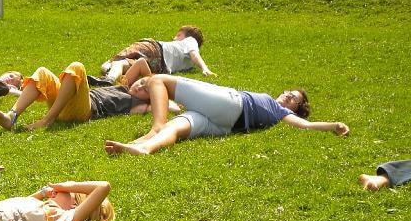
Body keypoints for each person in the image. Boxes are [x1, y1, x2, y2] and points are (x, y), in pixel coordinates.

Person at [104, 75, 349, 157]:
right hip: (226, 126)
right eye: (287, 92)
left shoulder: (283, 113)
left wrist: (334, 125)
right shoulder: (274, 107)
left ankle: (156, 127)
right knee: (177, 127)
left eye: (293, 97)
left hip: (233, 105)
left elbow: (306, 125)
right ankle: (145, 148)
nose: (286, 95)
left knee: (158, 80)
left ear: (296, 107)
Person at [0, 62, 178, 132]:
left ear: (151, 98)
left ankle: (48, 119)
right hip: (67, 102)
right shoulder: (125, 86)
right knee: (43, 72)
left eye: (146, 89)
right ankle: (12, 116)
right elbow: (141, 63)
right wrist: (152, 79)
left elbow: (170, 107)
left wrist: (159, 93)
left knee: (77, 68)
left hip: (84, 110)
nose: (139, 85)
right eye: (141, 81)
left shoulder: (137, 104)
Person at [100, 26, 215, 84]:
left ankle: (108, 65)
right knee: (121, 64)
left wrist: (205, 69)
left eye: (178, 35)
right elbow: (193, 57)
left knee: (130, 51)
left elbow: (194, 54)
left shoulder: (191, 40)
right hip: (159, 67)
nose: (174, 38)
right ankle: (110, 78)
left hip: (156, 49)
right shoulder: (189, 65)